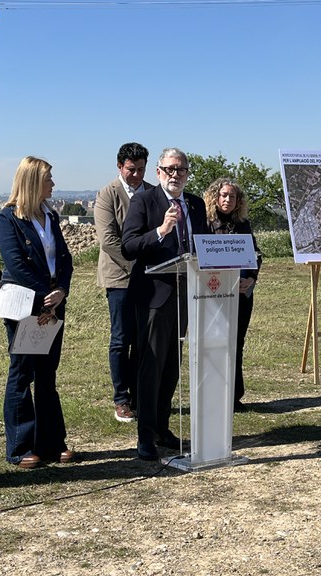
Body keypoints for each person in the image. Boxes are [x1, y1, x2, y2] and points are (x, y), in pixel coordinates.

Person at [122, 147, 209, 460]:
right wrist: (160, 231)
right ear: (158, 172)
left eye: (181, 169)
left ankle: (162, 427)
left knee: (171, 366)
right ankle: (145, 435)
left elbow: (203, 246)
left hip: (187, 293)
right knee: (151, 367)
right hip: (154, 296)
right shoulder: (144, 201)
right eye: (170, 169)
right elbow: (129, 246)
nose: (175, 175)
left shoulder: (196, 204)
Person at [0, 156, 74, 469]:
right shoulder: (9, 218)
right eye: (48, 179)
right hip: (25, 305)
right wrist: (44, 298)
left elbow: (65, 259)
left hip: (53, 302)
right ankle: (20, 446)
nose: (53, 184)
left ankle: (51, 443)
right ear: (32, 181)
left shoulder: (50, 215)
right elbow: (16, 264)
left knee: (47, 373)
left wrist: (62, 290)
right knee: (22, 372)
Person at [94, 142, 152, 423]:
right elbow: (108, 240)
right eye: (131, 170)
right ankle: (121, 398)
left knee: (144, 338)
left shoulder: (153, 192)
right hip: (120, 278)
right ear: (119, 167)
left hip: (150, 277)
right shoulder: (107, 194)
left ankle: (141, 395)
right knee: (121, 339)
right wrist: (136, 266)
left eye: (141, 169)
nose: (136, 175)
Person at [203, 178, 262, 412]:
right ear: (215, 197)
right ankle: (213, 394)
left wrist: (252, 278)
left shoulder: (243, 224)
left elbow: (256, 254)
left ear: (239, 201)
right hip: (213, 294)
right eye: (224, 195)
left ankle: (234, 396)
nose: (228, 200)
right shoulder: (205, 223)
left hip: (241, 294)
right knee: (214, 344)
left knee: (236, 343)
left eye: (232, 196)